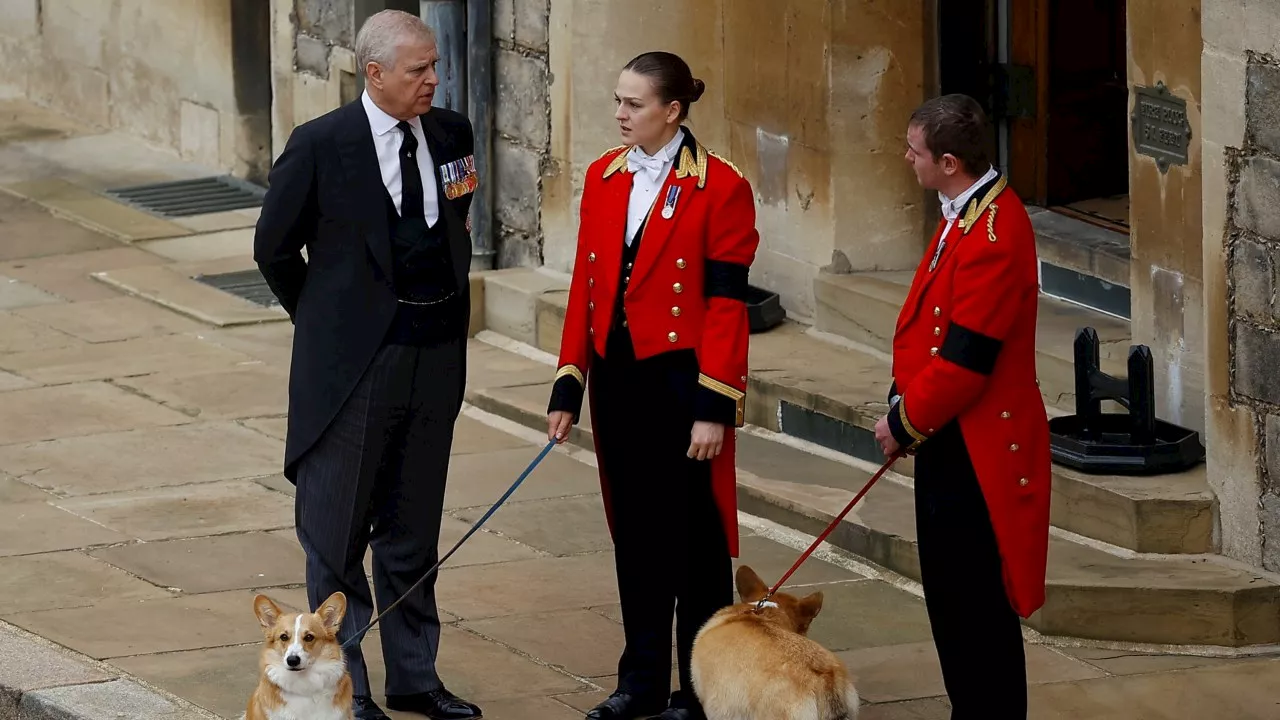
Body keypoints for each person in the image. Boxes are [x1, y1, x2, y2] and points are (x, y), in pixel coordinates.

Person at [253, 10, 481, 720]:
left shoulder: (451, 135)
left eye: (436, 66)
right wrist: (328, 326)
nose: (434, 81)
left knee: (413, 532)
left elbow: (458, 221)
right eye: (419, 70)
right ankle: (348, 694)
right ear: (374, 73)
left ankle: (417, 676)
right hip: (353, 372)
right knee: (337, 537)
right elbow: (273, 248)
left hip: (433, 357)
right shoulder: (320, 145)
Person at [545, 51, 760, 720]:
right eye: (618, 100)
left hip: (683, 383)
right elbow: (586, 285)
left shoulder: (721, 186)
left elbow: (727, 305)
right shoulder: (605, 177)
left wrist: (713, 406)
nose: (620, 113)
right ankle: (638, 682)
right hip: (618, 382)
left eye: (634, 104)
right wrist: (567, 384)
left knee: (695, 546)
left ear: (672, 110)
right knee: (635, 535)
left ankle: (699, 692)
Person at [873, 93, 1051, 719]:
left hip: (977, 445)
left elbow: (968, 361)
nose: (907, 159)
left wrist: (901, 422)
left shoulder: (995, 231)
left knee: (974, 600)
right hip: (949, 434)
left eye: (915, 151)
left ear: (948, 161)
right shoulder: (967, 213)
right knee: (950, 595)